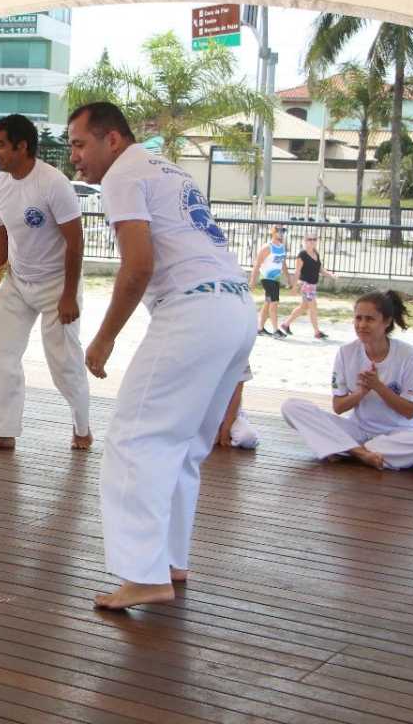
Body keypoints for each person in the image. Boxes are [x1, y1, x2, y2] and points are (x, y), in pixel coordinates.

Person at [70, 101, 255, 610]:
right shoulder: (168, 168)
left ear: (112, 140)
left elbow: (138, 265)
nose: (75, 158)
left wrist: (105, 336)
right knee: (184, 445)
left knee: (135, 438)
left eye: (80, 144)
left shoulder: (122, 175)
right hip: (238, 308)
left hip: (194, 311)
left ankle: (142, 574)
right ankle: (170, 561)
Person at [0, 114, 92, 453]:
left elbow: (76, 242)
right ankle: (4, 431)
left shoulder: (53, 183)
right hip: (16, 279)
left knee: (63, 363)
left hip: (58, 284)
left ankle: (82, 427)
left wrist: (70, 296)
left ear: (21, 146)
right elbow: (0, 237)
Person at [281, 290, 413, 470]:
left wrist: (379, 387)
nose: (362, 325)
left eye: (370, 319)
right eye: (358, 318)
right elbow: (338, 407)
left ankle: (347, 450)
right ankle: (361, 453)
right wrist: (360, 393)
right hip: (357, 430)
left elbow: (409, 412)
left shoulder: (408, 355)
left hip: (398, 435)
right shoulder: (346, 352)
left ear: (387, 322)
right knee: (291, 407)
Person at [282, 232, 338, 339]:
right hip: (305, 285)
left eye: (314, 239)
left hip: (313, 285)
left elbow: (320, 269)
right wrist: (294, 287)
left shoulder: (316, 253)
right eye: (309, 239)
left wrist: (331, 275)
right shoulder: (302, 255)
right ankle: (317, 332)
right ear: (305, 241)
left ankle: (285, 324)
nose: (312, 241)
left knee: (303, 307)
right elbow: (297, 271)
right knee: (313, 307)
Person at [251, 224, 293, 338]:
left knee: (268, 302)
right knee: (274, 303)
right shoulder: (266, 247)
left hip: (276, 279)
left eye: (283, 230)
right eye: (278, 230)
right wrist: (252, 282)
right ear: (272, 232)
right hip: (267, 279)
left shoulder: (282, 247)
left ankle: (260, 328)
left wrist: (289, 278)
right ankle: (275, 330)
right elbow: (257, 265)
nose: (280, 232)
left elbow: (283, 264)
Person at [216, 365, 259, 449]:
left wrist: (226, 428)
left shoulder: (239, 354)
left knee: (248, 438)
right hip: (199, 415)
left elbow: (237, 394)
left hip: (229, 414)